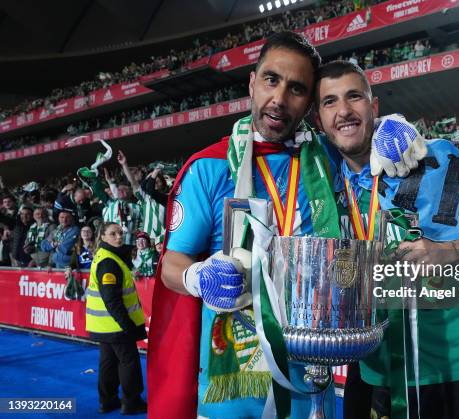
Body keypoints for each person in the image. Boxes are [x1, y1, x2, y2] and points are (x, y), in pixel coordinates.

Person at [148, 32, 417, 419]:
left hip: (313, 382)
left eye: (296, 89)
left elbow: (362, 138)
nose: (279, 98)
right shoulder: (208, 167)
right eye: (271, 80)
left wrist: (393, 128)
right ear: (252, 83)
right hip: (233, 390)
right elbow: (172, 264)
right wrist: (197, 277)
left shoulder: (328, 159)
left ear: (308, 102)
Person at [313, 60, 459, 419]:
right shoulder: (323, 183)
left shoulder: (434, 155)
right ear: (318, 119)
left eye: (354, 96)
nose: (343, 111)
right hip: (382, 364)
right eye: (329, 101)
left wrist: (449, 250)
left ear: (374, 107)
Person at [85, 222, 147, 415]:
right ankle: (131, 402)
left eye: (120, 233)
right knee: (128, 362)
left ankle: (108, 401)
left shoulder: (105, 256)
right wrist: (127, 324)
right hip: (116, 325)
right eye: (113, 234)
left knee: (108, 363)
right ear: (102, 236)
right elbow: (112, 299)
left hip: (104, 325)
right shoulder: (109, 262)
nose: (118, 237)